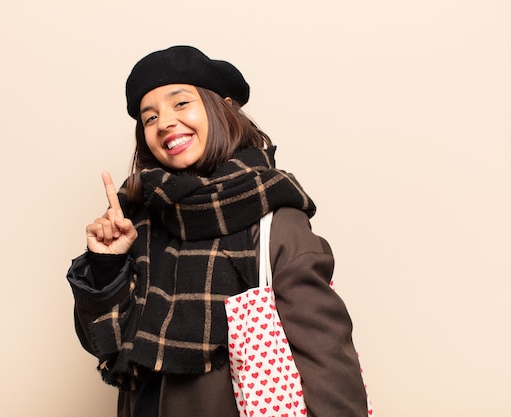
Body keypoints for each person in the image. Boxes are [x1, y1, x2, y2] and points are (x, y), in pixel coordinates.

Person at [66, 45, 368, 417]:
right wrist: (106, 265)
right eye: (149, 118)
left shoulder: (273, 219)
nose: (164, 123)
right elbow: (104, 344)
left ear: (223, 107)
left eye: (180, 104)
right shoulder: (137, 218)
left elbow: (326, 357)